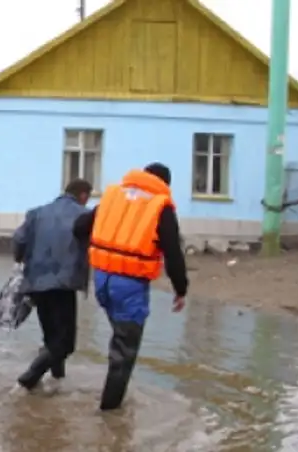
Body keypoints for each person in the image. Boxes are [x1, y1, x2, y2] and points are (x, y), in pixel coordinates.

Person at [73, 163, 188, 411]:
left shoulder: (113, 198)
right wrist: (181, 289)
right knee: (124, 351)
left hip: (102, 279)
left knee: (119, 338)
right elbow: (173, 253)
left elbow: (79, 227)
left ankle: (112, 397)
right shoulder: (160, 206)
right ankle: (110, 414)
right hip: (130, 285)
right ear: (165, 184)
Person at [12, 179, 93, 393]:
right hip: (63, 284)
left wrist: (21, 260)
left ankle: (58, 380)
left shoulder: (36, 213)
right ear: (83, 195)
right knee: (66, 344)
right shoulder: (84, 215)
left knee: (51, 338)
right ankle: (27, 380)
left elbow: (19, 239)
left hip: (35, 283)